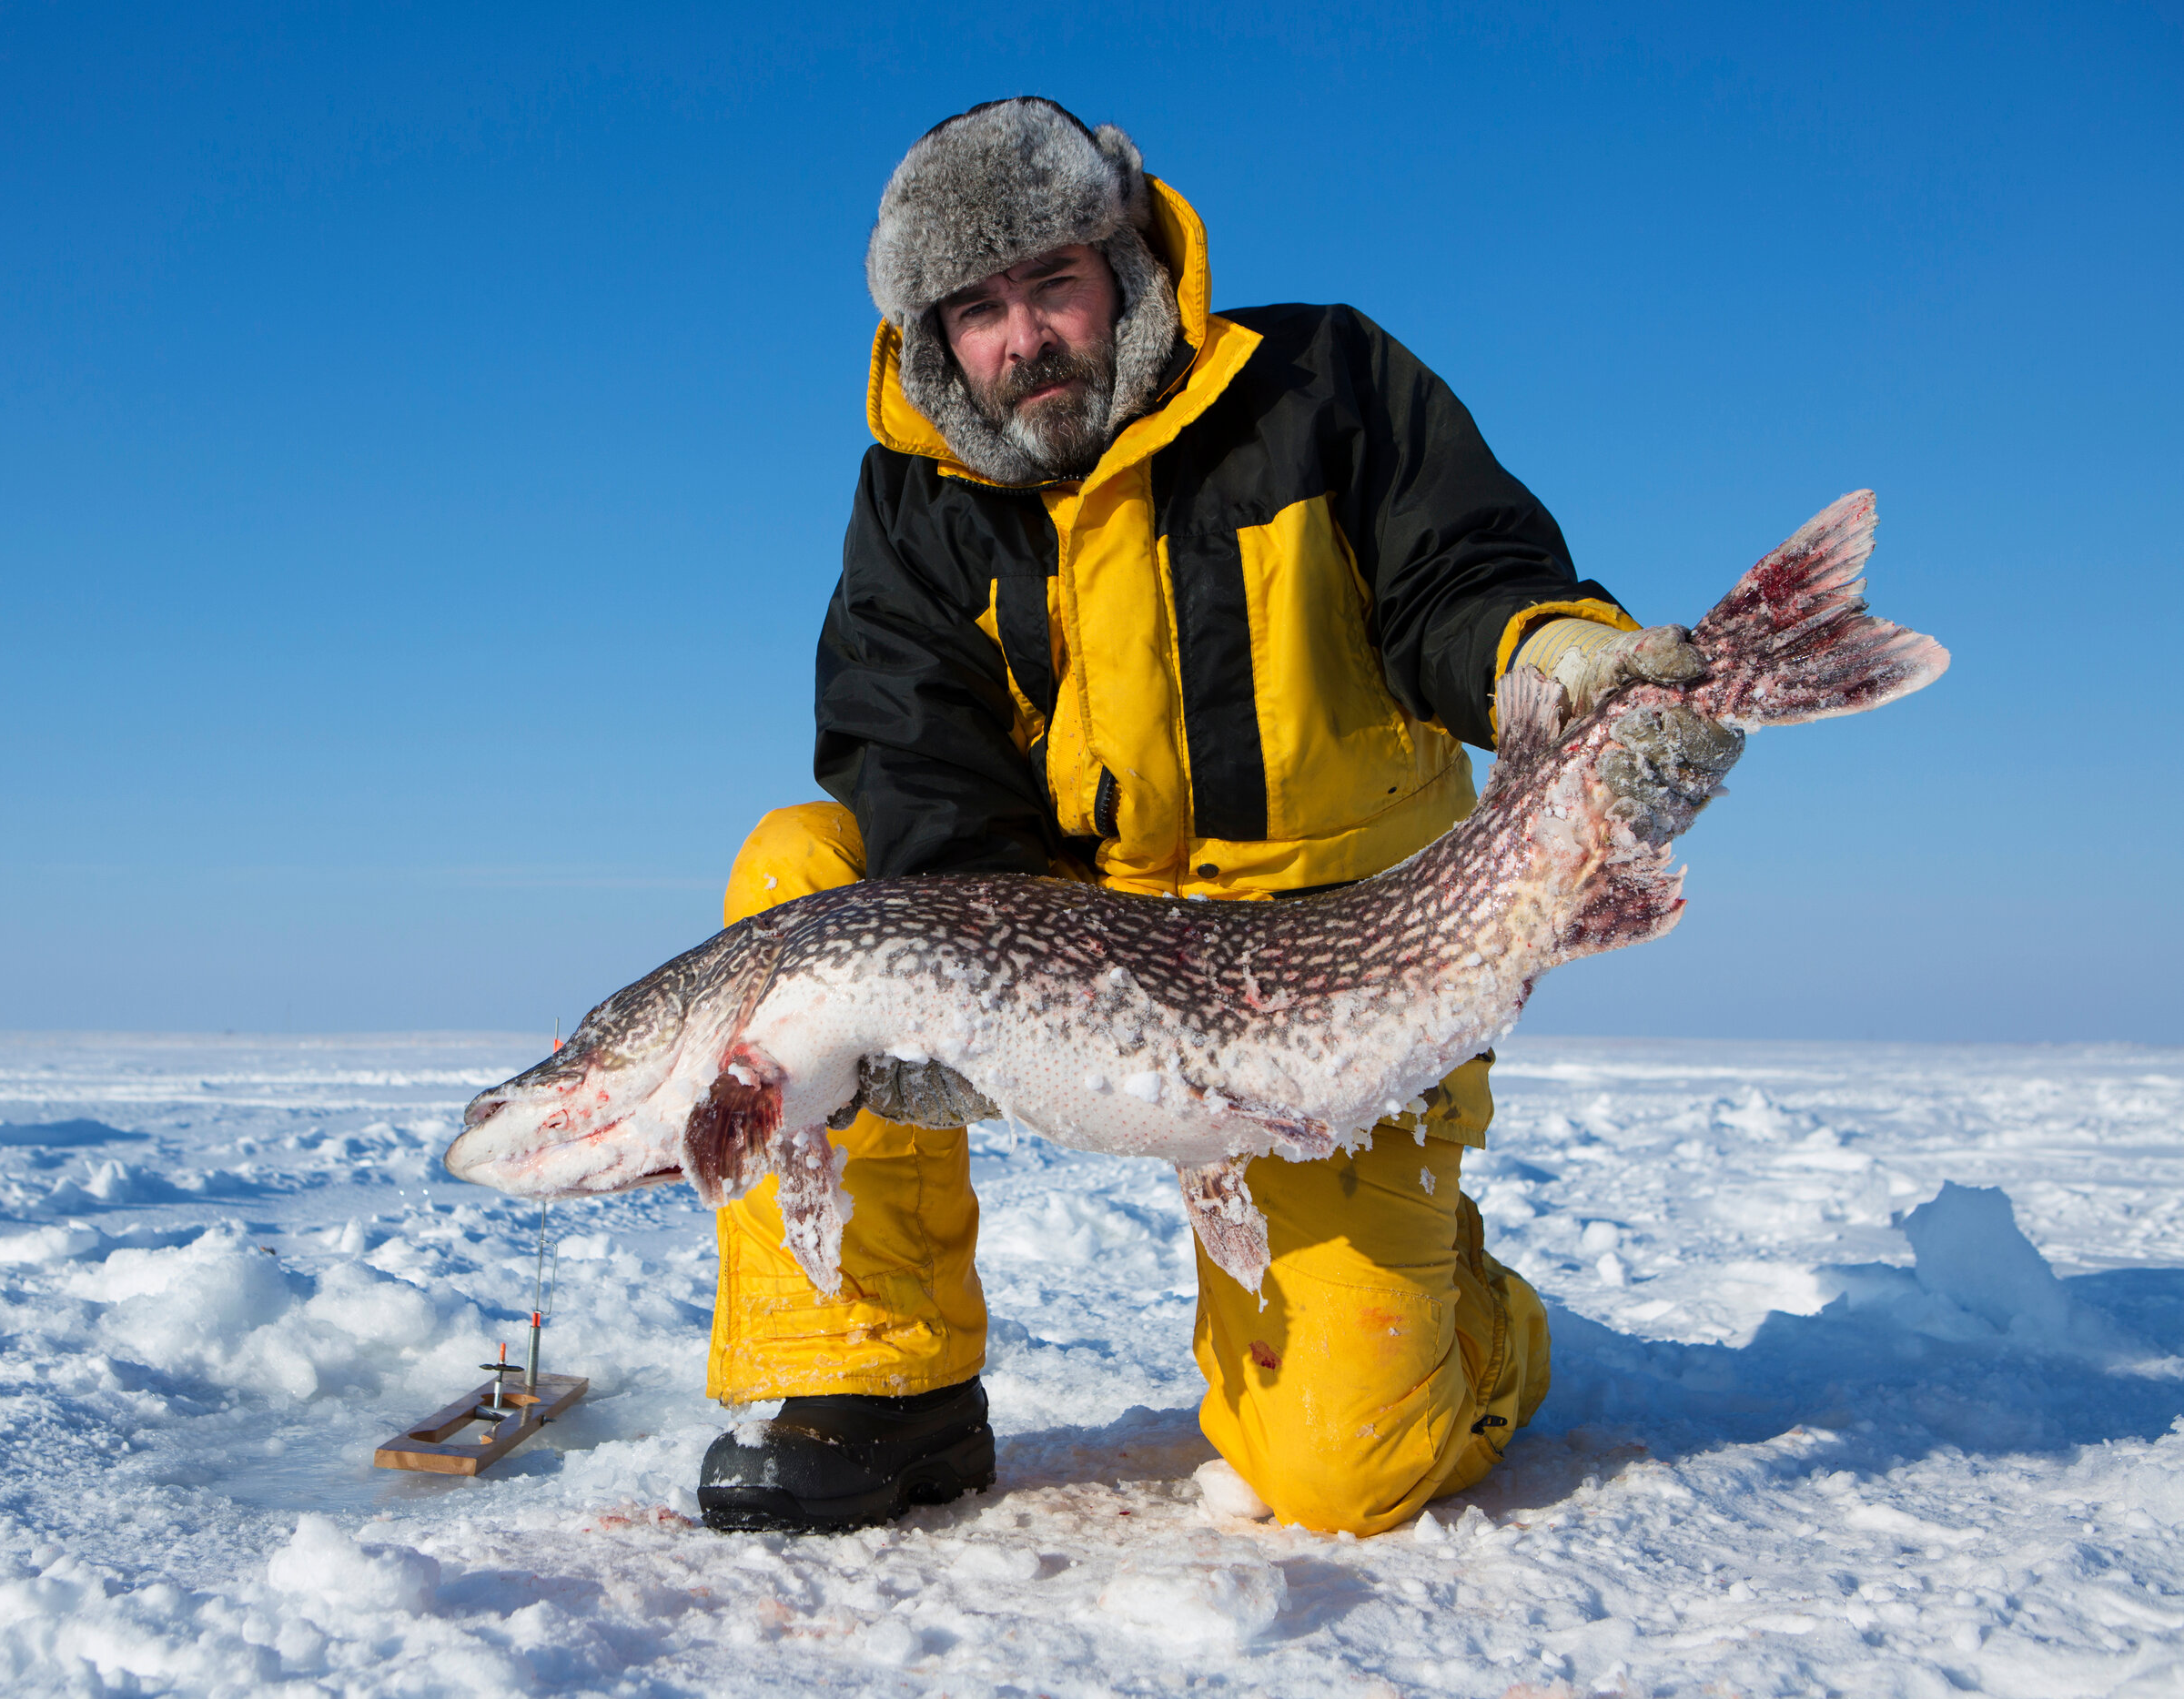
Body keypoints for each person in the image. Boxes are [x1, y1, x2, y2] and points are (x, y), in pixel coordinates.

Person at [694, 98, 1698, 1537]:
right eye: (976, 309)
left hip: (1339, 975)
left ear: (1125, 267)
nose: (1022, 336)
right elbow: (908, 751)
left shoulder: (1319, 382)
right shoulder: (914, 497)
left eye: (1051, 284)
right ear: (934, 341)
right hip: (1091, 966)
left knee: (1343, 1466)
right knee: (800, 876)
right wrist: (980, 1008)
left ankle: (1479, 1329)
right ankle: (878, 1382)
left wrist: (1555, 659)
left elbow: (1455, 579)